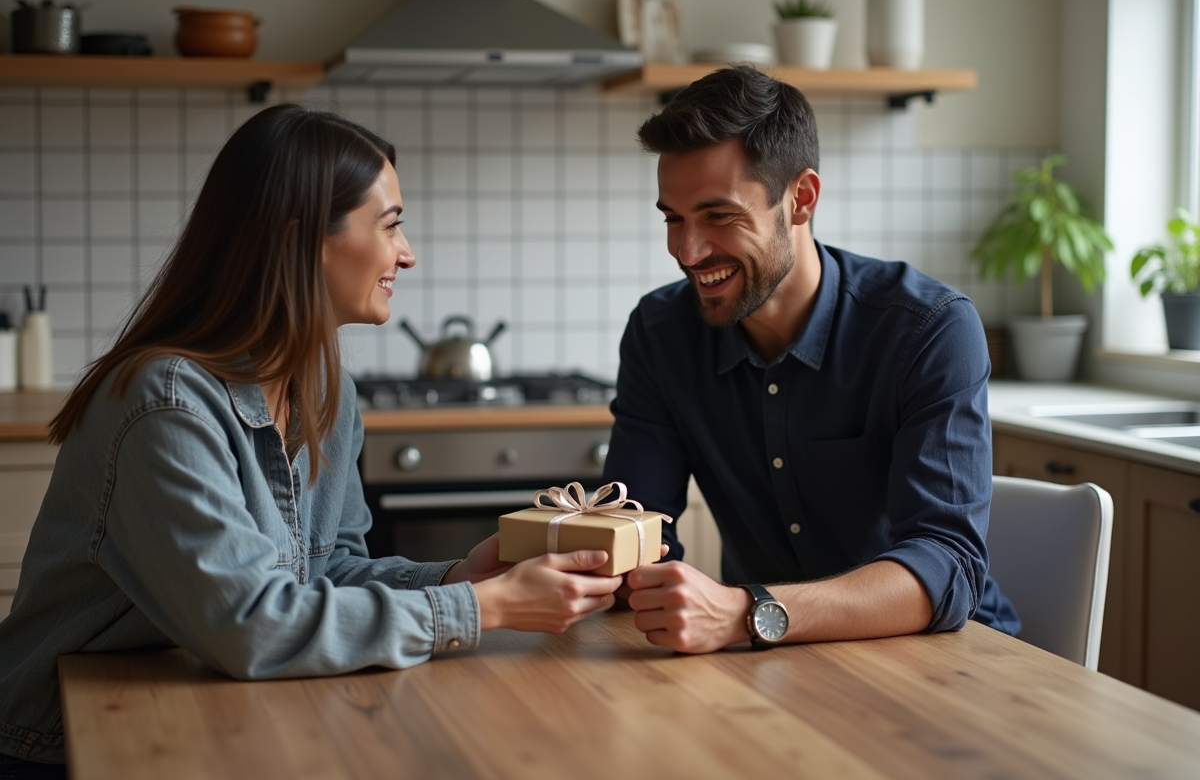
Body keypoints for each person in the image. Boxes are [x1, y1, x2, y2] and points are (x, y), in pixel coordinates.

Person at [0, 104, 623, 776]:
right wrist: (482, 607)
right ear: (301, 241)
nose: (407, 254)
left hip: (209, 706)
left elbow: (327, 575)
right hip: (64, 747)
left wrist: (455, 575)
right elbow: (252, 627)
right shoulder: (166, 405)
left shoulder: (325, 387)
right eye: (390, 227)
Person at [604, 65, 1020, 654]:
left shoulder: (930, 330)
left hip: (948, 659)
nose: (687, 251)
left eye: (718, 216)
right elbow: (637, 525)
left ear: (800, 199)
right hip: (771, 663)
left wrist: (745, 611)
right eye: (674, 218)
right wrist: (605, 562)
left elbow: (946, 564)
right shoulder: (660, 334)